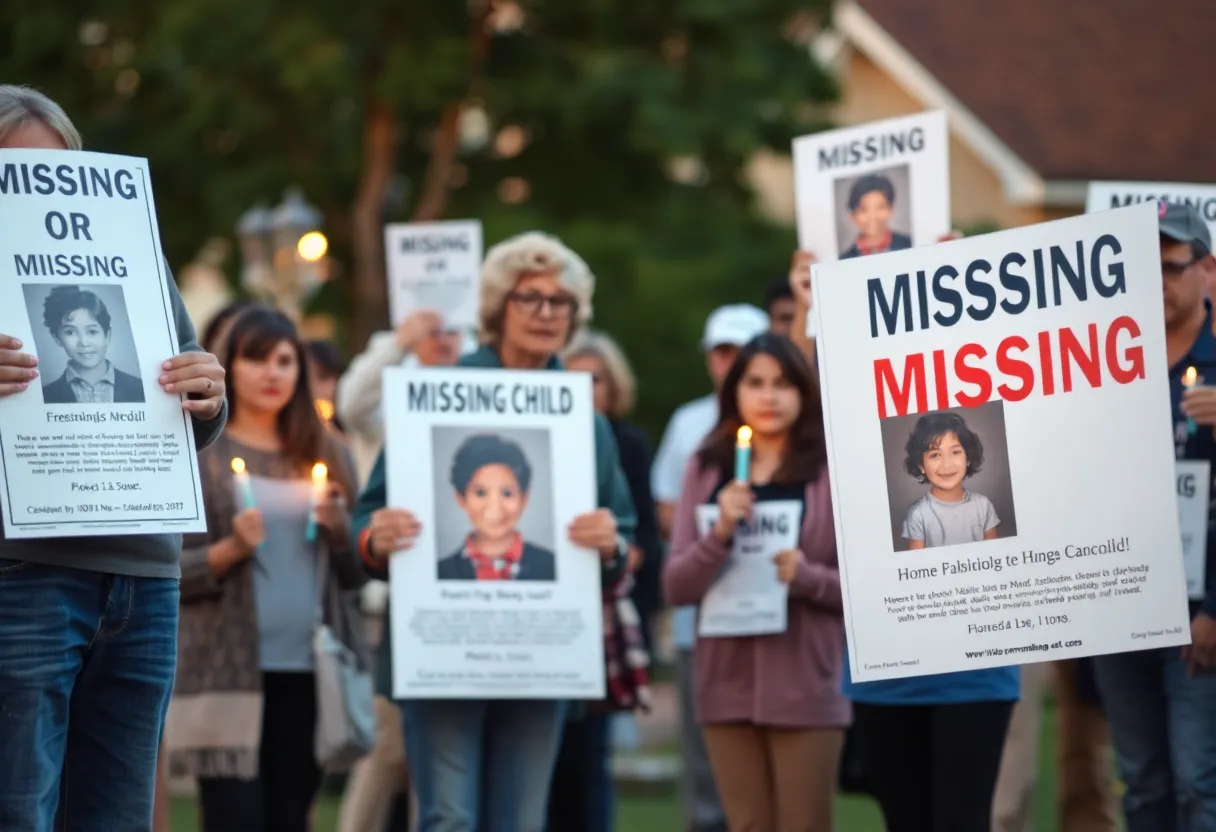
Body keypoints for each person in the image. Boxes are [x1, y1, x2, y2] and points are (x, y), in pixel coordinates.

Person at [353, 230, 637, 831]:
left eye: (559, 302)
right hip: (443, 647)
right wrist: (375, 537)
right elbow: (368, 516)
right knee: (448, 819)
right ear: (496, 309)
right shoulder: (431, 396)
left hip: (543, 652)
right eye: (528, 298)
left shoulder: (585, 418)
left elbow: (624, 537)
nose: (545, 313)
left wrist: (610, 541)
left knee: (520, 823)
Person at [0, 85, 228, 830]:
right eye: (15, 173)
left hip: (143, 578)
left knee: (117, 816)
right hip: (22, 574)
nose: (39, 191)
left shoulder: (128, 249)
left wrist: (207, 395)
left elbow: (188, 387)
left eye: (56, 170)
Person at [165, 308, 365, 831]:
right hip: (226, 670)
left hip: (310, 669)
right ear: (227, 365)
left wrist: (341, 532)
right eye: (256, 359)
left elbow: (359, 574)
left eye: (285, 360)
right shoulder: (198, 451)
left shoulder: (330, 452)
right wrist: (228, 551)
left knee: (290, 817)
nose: (273, 373)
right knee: (235, 818)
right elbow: (166, 571)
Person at [663, 333, 848, 832]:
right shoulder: (707, 468)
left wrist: (807, 578)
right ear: (734, 392)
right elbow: (676, 587)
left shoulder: (831, 470)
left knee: (805, 823)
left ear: (805, 392)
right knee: (745, 824)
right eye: (756, 383)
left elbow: (863, 590)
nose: (769, 396)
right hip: (725, 682)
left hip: (807, 682)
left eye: (784, 383)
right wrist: (719, 532)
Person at [1092, 201, 1216, 832]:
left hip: (1200, 613)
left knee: (1200, 782)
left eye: (1170, 266)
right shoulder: (1099, 361)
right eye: (1141, 268)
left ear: (1209, 271)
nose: (1156, 282)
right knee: (1141, 782)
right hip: (1122, 607)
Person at [334, 308, 464, 832]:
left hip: (463, 597)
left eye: (453, 330)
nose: (443, 340)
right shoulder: (390, 401)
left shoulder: (472, 390)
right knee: (391, 749)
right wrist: (399, 342)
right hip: (394, 601)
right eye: (432, 331)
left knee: (431, 754)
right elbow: (351, 403)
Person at [651, 303, 768, 832]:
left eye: (743, 352)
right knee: (706, 775)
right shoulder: (689, 423)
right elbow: (665, 511)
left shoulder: (791, 419)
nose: (733, 363)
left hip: (776, 615)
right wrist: (717, 521)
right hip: (701, 622)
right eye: (723, 353)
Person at [553, 330, 661, 832]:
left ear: (612, 386)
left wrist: (622, 552)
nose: (583, 387)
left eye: (594, 378)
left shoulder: (627, 444)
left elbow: (641, 536)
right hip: (547, 614)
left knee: (588, 759)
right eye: (572, 376)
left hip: (602, 618)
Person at [439, 432, 556, 581]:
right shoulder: (440, 572)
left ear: (525, 499)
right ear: (461, 498)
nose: (494, 509)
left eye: (507, 493)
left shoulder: (553, 567)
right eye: (481, 493)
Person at [901, 410, 1000, 550]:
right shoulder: (919, 515)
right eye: (935, 455)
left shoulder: (983, 506)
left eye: (955, 452)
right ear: (921, 465)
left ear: (968, 458)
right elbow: (916, 567)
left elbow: (996, 556)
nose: (946, 464)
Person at [39, 284, 145, 404]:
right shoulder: (44, 396)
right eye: (70, 332)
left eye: (92, 331)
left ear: (107, 336)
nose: (84, 343)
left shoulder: (141, 388)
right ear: (57, 338)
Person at [840, 173, 912, 260]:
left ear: (891, 210)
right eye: (864, 209)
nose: (872, 216)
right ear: (853, 215)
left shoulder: (910, 245)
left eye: (880, 207)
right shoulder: (844, 260)